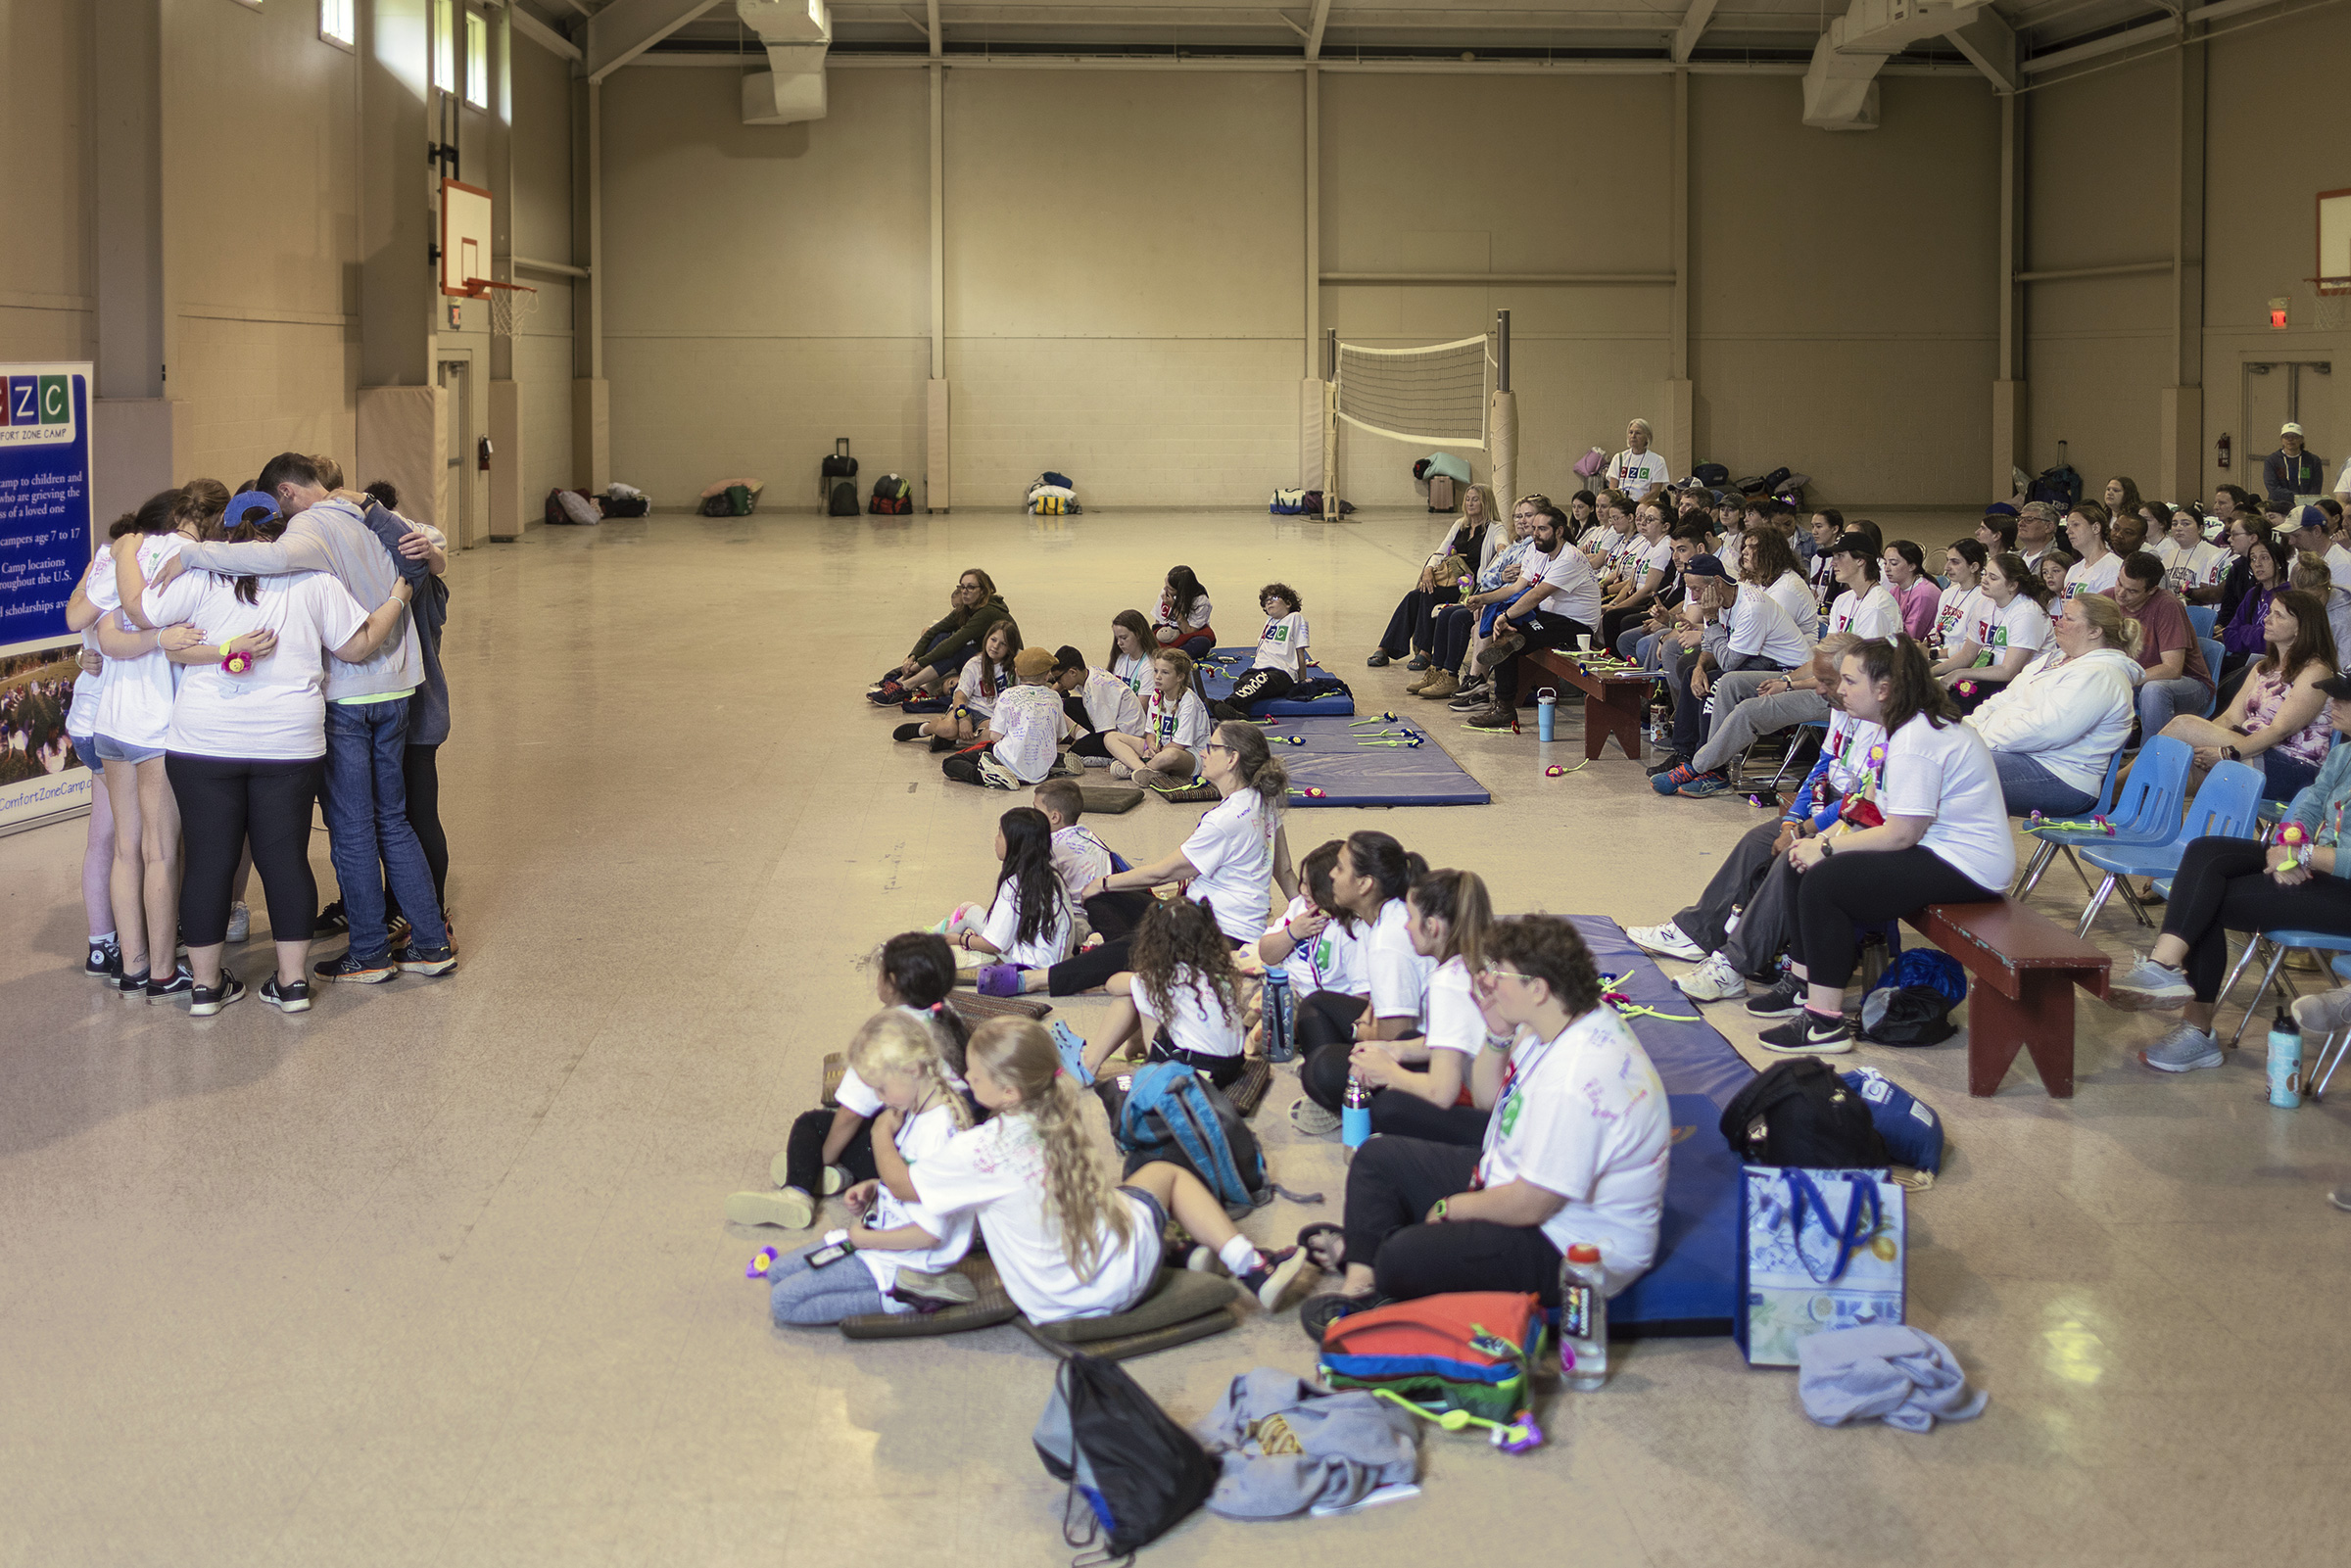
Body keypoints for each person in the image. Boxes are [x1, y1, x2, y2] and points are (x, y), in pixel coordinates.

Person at [1293, 915, 1670, 1341]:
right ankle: (1360, 1286)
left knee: (1402, 1256)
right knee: (1376, 1158)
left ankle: (1377, 1265)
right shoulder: (1560, 1019)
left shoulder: (1577, 1079)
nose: (1486, 983)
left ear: (1538, 989)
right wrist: (1496, 1033)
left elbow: (1533, 1205)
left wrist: (1450, 1208)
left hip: (1570, 1246)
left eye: (1499, 974)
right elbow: (1491, 1099)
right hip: (1511, 1177)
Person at [152, 454, 453, 985]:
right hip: (397, 694)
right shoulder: (371, 518)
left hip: (338, 704)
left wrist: (191, 555)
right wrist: (402, 587)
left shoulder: (304, 540)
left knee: (350, 830)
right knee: (394, 820)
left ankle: (369, 952)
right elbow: (430, 547)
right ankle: (430, 944)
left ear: (285, 496)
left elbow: (152, 611)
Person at [911, 1018, 1314, 1321]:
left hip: (1052, 1303)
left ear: (1008, 1091)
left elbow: (909, 1184)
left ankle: (1209, 1258)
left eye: (973, 1075)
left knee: (1143, 1182)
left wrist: (883, 1131)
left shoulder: (976, 1148)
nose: (965, 1079)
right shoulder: (1055, 1118)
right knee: (1162, 1173)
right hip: (1117, 1278)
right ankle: (1240, 1263)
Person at [1750, 638, 2015, 1055]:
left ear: (1885, 690)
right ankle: (1802, 983)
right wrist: (1816, 837)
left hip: (1968, 866)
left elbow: (1901, 833)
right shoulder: (1900, 726)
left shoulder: (1918, 737)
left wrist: (1830, 851)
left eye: (1851, 681)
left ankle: (1824, 1023)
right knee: (1798, 859)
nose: (1841, 690)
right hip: (1934, 849)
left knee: (1826, 881)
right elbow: (1869, 802)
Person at [2107, 675, 2351, 1072]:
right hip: (2316, 864)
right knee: (2208, 852)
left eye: (2345, 697)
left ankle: (2197, 1033)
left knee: (2210, 901)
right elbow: (2310, 806)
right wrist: (2290, 846)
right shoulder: (2344, 755)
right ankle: (2163, 966)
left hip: (2344, 889)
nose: (2333, 702)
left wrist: (2302, 855)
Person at [1631, 636, 1876, 1003]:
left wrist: (1804, 831)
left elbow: (1861, 800)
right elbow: (1821, 771)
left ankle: (1733, 966)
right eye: (1821, 679)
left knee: (1790, 860)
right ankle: (1696, 932)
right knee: (1757, 842)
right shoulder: (1844, 708)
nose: (1820, 689)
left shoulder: (1881, 722)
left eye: (1828, 681)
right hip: (1831, 811)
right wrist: (1793, 818)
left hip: (1862, 825)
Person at [1035, 722, 1298, 995]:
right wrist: (1308, 911)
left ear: (1232, 759)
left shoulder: (1226, 819)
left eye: (1212, 747)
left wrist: (1103, 881)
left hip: (1216, 936)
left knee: (1111, 910)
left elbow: (1162, 873)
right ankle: (1141, 954)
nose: (1204, 753)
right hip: (1201, 918)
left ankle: (1037, 979)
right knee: (1106, 897)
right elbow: (1286, 871)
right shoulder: (1262, 800)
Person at [737, 932, 969, 1233]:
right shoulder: (947, 1013)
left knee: (812, 1124)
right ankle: (838, 1176)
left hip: (905, 1162)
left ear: (893, 981)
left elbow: (849, 1116)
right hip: (948, 1142)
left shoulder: (887, 1035)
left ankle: (799, 1192)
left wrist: (823, 1161)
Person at [757, 1010, 979, 1323]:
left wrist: (864, 1240)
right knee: (777, 1273)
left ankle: (905, 1299)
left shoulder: (938, 1132)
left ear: (913, 1069)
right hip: (881, 1231)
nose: (877, 1098)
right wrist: (875, 1187)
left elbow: (931, 1233)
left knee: (785, 1302)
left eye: (881, 1088)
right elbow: (912, 1181)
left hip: (905, 1261)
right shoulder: (916, 1107)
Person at [84, 487, 213, 997]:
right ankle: (162, 971)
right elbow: (182, 643)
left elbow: (102, 636)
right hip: (157, 729)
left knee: (125, 851)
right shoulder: (187, 564)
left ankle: (132, 967)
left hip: (111, 725)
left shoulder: (125, 558)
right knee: (162, 852)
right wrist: (164, 640)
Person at [1658, 533, 1899, 798]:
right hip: (1817, 681)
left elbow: (1859, 678)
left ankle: (1696, 766)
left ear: (1862, 561)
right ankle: (1715, 773)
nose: (1833, 563)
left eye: (1840, 556)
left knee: (1749, 709)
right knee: (1727, 682)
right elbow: (1821, 660)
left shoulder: (1877, 607)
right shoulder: (1844, 600)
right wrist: (1787, 682)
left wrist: (1789, 684)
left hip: (1843, 696)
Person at [1348, 868, 1499, 1146]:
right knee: (1405, 1041)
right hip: (1498, 1093)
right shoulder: (1478, 959)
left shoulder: (1447, 982)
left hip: (1496, 1125)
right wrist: (1394, 1050)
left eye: (1411, 917)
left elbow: (1442, 1093)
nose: (1405, 926)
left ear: (1432, 927)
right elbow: (1453, 1039)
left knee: (1388, 1106)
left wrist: (1389, 1072)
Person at [1293, 832, 1433, 1127]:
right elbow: (1377, 998)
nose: (1332, 873)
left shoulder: (1389, 940)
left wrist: (1360, 1032)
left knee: (1320, 1070)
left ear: (1365, 884)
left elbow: (1395, 1036)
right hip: (1402, 1034)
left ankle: (1366, 1106)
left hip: (1423, 1055)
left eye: (1341, 868)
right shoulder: (1380, 916)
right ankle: (1348, 1095)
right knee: (1315, 1005)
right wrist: (1366, 1024)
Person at [1967, 594, 2142, 817]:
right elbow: (2004, 699)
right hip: (2019, 756)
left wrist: (1978, 740)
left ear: (2094, 631)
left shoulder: (2102, 675)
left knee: (1948, 766)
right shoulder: (2053, 659)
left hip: (2062, 779)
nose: (2058, 622)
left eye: (2068, 618)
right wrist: (1966, 728)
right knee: (1936, 756)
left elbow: (2046, 730)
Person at [2156, 588, 2336, 798]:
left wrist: (2226, 753)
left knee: (2182, 725)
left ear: (2301, 629)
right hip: (2252, 750)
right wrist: (2201, 746)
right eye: (2270, 612)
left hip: (2292, 766)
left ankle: (2114, 787)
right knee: (2179, 770)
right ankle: (2134, 807)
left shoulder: (2315, 671)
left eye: (2278, 615)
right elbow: (2230, 718)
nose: (2267, 619)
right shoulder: (2263, 668)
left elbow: (2278, 731)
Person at [1062, 896, 1251, 1088]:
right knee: (1142, 990)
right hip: (1231, 1065)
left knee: (1135, 993)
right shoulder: (1219, 972)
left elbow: (1112, 984)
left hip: (1192, 1071)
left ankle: (1090, 1063)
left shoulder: (1163, 977)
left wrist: (1139, 976)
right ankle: (1129, 1050)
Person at [1460, 505, 1601, 732]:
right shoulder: (1536, 551)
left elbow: (1536, 594)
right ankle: (1503, 703)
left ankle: (1504, 708)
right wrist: (1483, 598)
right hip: (1549, 616)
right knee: (1507, 635)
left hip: (1576, 625)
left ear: (1559, 531)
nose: (1535, 533)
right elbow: (1516, 588)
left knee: (1507, 639)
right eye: (1534, 528)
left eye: (1542, 529)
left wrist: (1505, 616)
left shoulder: (1570, 557)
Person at [1414, 495, 1538, 703]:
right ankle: (1439, 670)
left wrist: (1486, 597)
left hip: (1508, 603)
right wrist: (1499, 577)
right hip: (1492, 596)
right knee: (1443, 612)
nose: (1521, 520)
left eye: (1528, 516)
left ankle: (1458, 676)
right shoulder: (1515, 546)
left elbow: (1520, 585)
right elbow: (1487, 576)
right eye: (1517, 516)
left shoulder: (1532, 548)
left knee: (1458, 618)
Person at [941, 806, 1075, 991]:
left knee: (968, 910)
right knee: (973, 915)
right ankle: (941, 935)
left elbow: (995, 944)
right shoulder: (1052, 876)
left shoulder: (1014, 884)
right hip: (1057, 961)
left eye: (1000, 834)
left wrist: (961, 940)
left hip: (1028, 967)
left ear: (1015, 843)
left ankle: (937, 941)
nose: (995, 840)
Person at [1367, 485, 1495, 668]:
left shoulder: (1494, 529)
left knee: (1429, 591)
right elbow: (1441, 552)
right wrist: (1428, 569)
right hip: (1449, 580)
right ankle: (1386, 647)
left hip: (1469, 588)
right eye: (1467, 499)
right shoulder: (1460, 525)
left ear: (1486, 502)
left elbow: (1502, 548)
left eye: (1475, 499)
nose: (1470, 503)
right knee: (1414, 596)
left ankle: (1425, 651)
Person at [1258, 839, 1367, 1044]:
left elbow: (1361, 999)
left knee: (1271, 1023)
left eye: (1311, 884)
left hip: (1314, 1004)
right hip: (1282, 985)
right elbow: (1266, 953)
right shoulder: (1299, 907)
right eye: (1303, 881)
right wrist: (1292, 932)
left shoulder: (1350, 929)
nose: (1303, 890)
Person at [2107, 550, 2214, 736]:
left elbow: (2172, 669)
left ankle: (2152, 759)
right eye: (2119, 583)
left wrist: (2124, 677)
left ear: (2152, 590)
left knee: (2153, 689)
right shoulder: (2108, 599)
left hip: (2187, 685)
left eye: (2132, 591)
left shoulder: (2167, 605)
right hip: (2136, 683)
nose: (2121, 594)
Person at [1931, 551, 2052, 712]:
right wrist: (1929, 673)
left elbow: (2008, 671)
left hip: (2017, 682)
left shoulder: (2027, 612)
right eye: (1985, 574)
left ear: (2012, 585)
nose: (1984, 580)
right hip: (1984, 674)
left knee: (1949, 706)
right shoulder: (1984, 604)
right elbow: (1967, 655)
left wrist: (1960, 673)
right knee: (1924, 690)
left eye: (1993, 578)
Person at [869, 568, 1010, 704]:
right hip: (984, 656)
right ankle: (903, 678)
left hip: (1001, 664)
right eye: (962, 587)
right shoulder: (966, 608)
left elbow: (954, 643)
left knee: (956, 649)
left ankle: (906, 685)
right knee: (941, 636)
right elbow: (933, 631)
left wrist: (919, 664)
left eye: (971, 587)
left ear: (983, 591)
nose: (965, 592)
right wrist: (913, 657)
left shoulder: (987, 612)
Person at [940, 646, 1070, 789]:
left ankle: (987, 775)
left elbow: (995, 736)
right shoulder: (1055, 697)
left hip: (1007, 761)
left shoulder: (1008, 694)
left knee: (950, 763)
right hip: (1041, 770)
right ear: (1047, 676)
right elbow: (1058, 738)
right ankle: (1052, 765)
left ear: (1017, 673)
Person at [896, 617, 1019, 747]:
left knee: (996, 737)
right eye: (993, 640)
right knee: (947, 729)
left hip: (990, 716)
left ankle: (954, 741)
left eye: (1003, 644)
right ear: (987, 639)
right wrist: (963, 718)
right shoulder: (974, 664)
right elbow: (960, 696)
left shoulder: (1016, 666)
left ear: (1010, 648)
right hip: (968, 708)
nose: (995, 646)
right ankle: (926, 728)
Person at [1105, 648, 1210, 786]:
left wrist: (1155, 753)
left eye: (1165, 672)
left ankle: (1138, 767)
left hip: (1189, 755)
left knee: (1170, 755)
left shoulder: (1188, 700)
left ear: (1180, 677)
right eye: (1155, 671)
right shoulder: (1156, 695)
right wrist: (1151, 745)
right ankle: (1145, 771)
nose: (1157, 677)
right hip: (1159, 749)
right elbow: (1150, 732)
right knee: (1111, 737)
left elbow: (1180, 745)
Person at [1215, 584, 1313, 719]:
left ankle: (1228, 704)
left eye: (1275, 597)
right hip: (1259, 669)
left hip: (1282, 672)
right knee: (1242, 683)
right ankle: (1239, 715)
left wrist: (1302, 681)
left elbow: (1300, 652)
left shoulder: (1295, 618)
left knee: (1260, 680)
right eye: (1266, 600)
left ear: (1288, 603)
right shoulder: (1269, 621)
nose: (1269, 601)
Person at [1049, 644, 1145, 764]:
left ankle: (1113, 759)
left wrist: (1116, 753)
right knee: (1069, 704)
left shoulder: (1095, 693)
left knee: (1075, 752)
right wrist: (1047, 697)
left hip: (1125, 736)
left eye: (1058, 679)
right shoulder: (1088, 672)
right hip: (1114, 721)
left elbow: (1109, 734)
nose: (1058, 683)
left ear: (1072, 672)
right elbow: (1059, 688)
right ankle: (1087, 737)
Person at [2218, 533, 2295, 681]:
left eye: (2264, 558)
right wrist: (2256, 635)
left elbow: (2276, 641)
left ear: (2279, 562)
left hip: (2276, 665)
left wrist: (2246, 630)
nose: (2257, 564)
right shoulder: (2253, 593)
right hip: (2245, 660)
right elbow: (2229, 634)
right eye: (2253, 559)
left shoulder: (2290, 595)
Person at [2153, 502, 2229, 602]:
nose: (2179, 528)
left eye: (2186, 524)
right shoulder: (2168, 554)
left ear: (2200, 529)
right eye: (2175, 524)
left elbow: (2210, 594)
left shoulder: (2215, 554)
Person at [1931, 541, 1990, 659]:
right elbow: (1937, 630)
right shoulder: (1948, 593)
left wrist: (1932, 654)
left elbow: (1970, 647)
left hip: (1956, 661)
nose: (1946, 567)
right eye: (1947, 560)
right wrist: (1924, 645)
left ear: (1974, 567)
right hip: (1936, 654)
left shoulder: (1983, 599)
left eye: (1955, 562)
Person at [1881, 542, 1943, 640]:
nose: (1886, 568)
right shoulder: (1895, 590)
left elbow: (1911, 637)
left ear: (1912, 566)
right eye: (1885, 563)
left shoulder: (1924, 594)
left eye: (1893, 563)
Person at [2061, 501, 2121, 600]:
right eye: (2067, 526)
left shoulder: (2113, 568)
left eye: (2075, 525)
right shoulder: (2073, 570)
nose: (2068, 531)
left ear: (2096, 528)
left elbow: (2110, 611)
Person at [1154, 565, 1215, 655]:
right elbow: (1158, 622)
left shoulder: (1201, 602)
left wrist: (1174, 607)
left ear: (1182, 591)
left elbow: (1188, 631)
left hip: (1186, 636)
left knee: (1202, 643)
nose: (1165, 589)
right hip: (1168, 633)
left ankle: (1172, 656)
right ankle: (1170, 654)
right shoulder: (1165, 593)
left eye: (1170, 588)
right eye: (1165, 585)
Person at [2286, 503, 2351, 589]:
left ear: (2317, 531)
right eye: (2289, 536)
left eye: (2296, 536)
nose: (2291, 542)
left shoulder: (2343, 564)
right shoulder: (2296, 562)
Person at [2265, 421, 2328, 505]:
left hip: (2306, 505)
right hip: (2278, 506)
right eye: (2286, 437)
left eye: (2294, 436)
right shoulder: (2272, 460)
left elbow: (2316, 487)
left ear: (2301, 439)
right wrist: (2296, 497)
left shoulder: (2313, 460)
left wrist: (2304, 501)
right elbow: (2273, 488)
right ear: (2282, 440)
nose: (2290, 439)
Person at [1604, 417, 1672, 496]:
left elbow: (1655, 492)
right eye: (1631, 432)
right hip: (1621, 504)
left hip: (1644, 504)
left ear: (1647, 437)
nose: (1633, 436)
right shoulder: (1619, 458)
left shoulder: (1657, 460)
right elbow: (1613, 488)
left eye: (1638, 433)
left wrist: (1637, 504)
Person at [1106, 610, 1155, 695]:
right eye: (1117, 638)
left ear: (1138, 634)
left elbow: (1142, 707)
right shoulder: (1120, 658)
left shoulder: (1149, 666)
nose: (1119, 643)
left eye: (1124, 638)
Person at [2016, 501, 2062, 572]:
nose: (2020, 523)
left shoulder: (2058, 561)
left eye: (2029, 519)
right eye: (2020, 519)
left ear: (2049, 527)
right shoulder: (2013, 558)